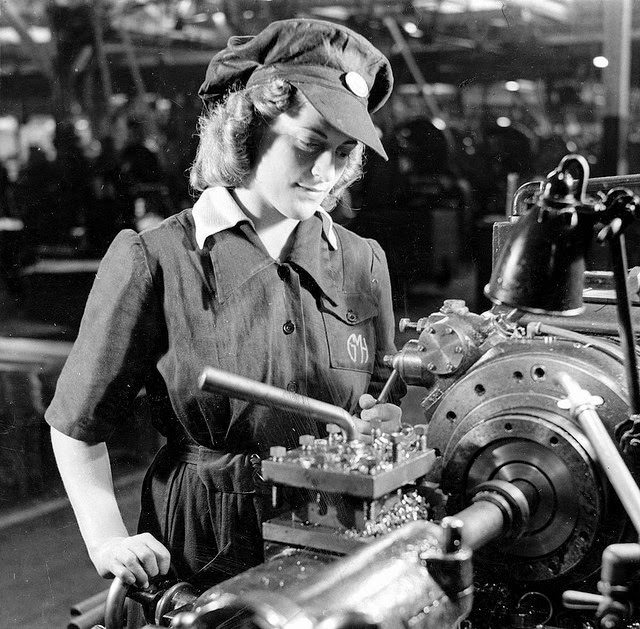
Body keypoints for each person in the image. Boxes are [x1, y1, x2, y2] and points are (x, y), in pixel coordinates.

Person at [46, 18, 405, 593]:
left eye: (343, 154)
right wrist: (106, 538)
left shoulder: (362, 262)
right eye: (308, 145)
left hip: (336, 536)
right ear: (248, 130)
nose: (323, 175)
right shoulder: (159, 259)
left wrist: (378, 424)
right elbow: (77, 422)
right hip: (204, 543)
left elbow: (382, 390)